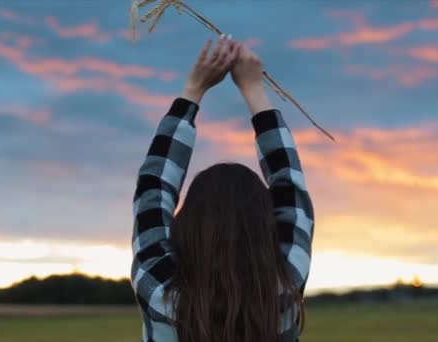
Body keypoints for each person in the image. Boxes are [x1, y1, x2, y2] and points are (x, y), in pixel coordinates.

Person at [130, 34, 315, 342]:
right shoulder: (285, 286)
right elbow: (289, 183)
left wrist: (193, 91)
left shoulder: (158, 290)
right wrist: (253, 88)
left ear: (187, 225)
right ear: (266, 227)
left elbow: (153, 188)